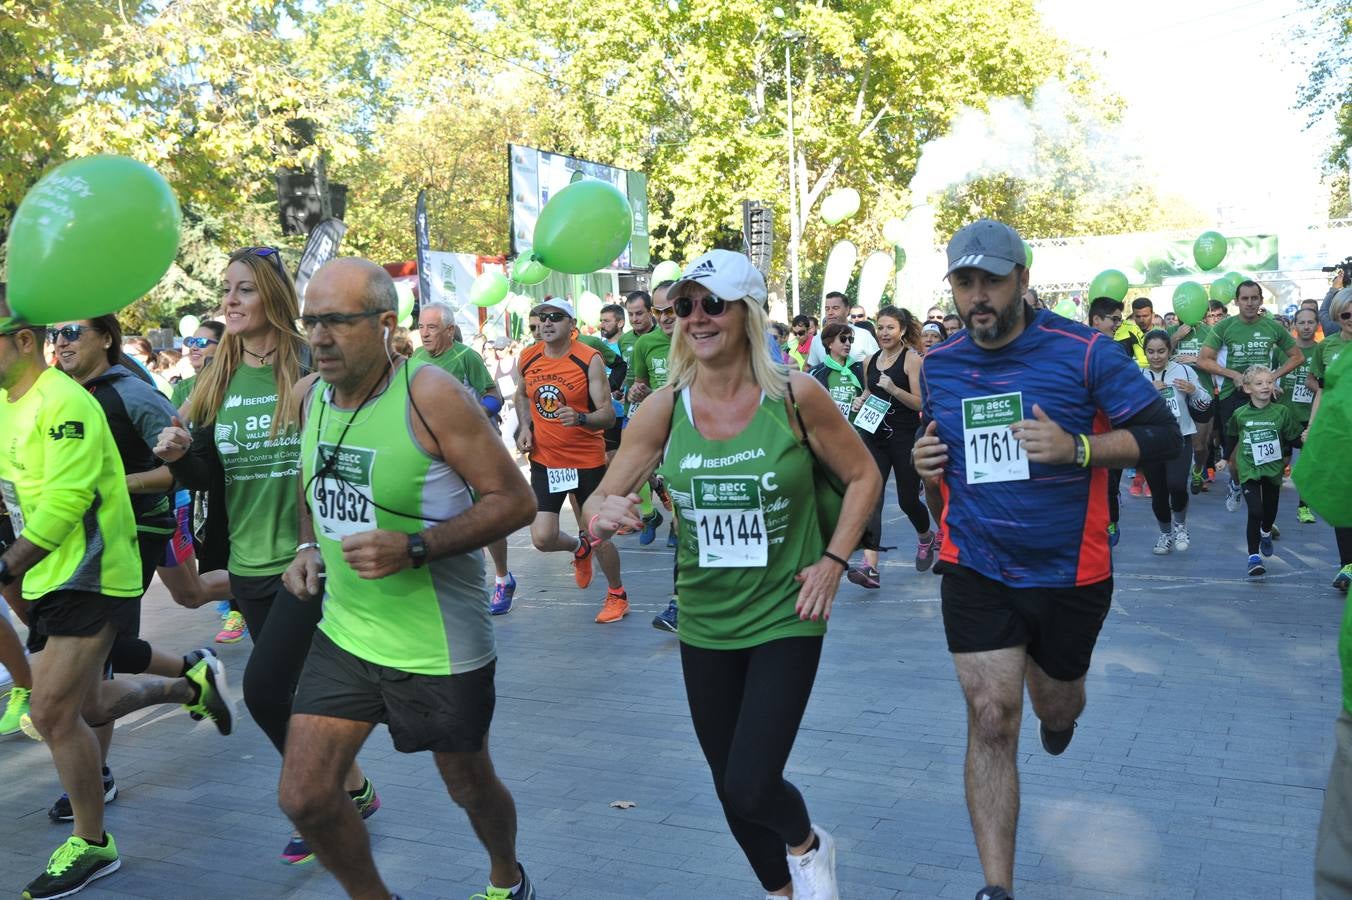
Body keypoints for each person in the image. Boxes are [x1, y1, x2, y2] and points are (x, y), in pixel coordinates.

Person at [584, 249, 880, 900]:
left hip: (786, 611)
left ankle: (809, 846)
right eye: (685, 306)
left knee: (751, 779)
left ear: (747, 313)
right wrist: (603, 514)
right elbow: (597, 503)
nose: (696, 317)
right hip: (705, 618)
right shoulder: (666, 408)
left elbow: (865, 476)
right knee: (728, 784)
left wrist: (833, 562)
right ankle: (783, 891)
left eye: (712, 304)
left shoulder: (797, 396)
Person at [912, 219, 1181, 900]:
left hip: (1070, 568)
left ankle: (1061, 715)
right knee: (992, 715)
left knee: (1051, 703)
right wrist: (923, 469)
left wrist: (1078, 450)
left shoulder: (1084, 352)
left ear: (1022, 280)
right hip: (976, 562)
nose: (978, 296)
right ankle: (996, 889)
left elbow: (1162, 436)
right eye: (964, 282)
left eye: (991, 281)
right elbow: (939, 458)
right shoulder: (940, 366)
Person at [277, 258, 538, 900]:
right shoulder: (311, 396)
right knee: (305, 798)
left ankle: (507, 874)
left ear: (386, 324)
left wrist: (416, 546)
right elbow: (315, 481)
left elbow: (514, 501)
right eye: (312, 322)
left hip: (438, 647)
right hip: (347, 634)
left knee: (469, 787)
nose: (319, 337)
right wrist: (309, 544)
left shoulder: (428, 394)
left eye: (337, 321)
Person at [154, 246, 379, 865]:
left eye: (244, 290)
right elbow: (206, 471)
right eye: (226, 289)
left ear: (273, 298)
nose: (229, 300)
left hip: (309, 559)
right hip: (247, 566)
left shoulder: (313, 361)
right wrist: (179, 454)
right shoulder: (216, 377)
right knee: (300, 687)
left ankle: (318, 799)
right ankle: (354, 788)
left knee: (264, 689)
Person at [0, 305, 231, 900]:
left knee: (51, 713)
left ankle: (92, 841)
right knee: (89, 704)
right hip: (53, 573)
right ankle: (190, 685)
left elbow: (69, 500)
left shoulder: (71, 403)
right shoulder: (10, 403)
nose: (67, 340)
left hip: (94, 569)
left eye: (73, 332)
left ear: (22, 341)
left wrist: (6, 564)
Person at [514, 298, 629, 623]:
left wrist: (580, 418)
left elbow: (607, 415)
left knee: (599, 534)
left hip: (586, 461)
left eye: (556, 317)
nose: (547, 323)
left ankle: (617, 594)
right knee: (542, 538)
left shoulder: (587, 359)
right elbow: (521, 394)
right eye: (542, 318)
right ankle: (578, 550)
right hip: (547, 461)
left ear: (571, 324)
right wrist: (526, 426)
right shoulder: (529, 356)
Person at [415, 300, 517, 615]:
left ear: (449, 330)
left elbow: (494, 397)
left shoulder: (466, 356)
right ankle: (461, 583)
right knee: (447, 516)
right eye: (421, 327)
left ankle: (503, 578)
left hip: (474, 448)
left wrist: (470, 416)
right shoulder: (415, 359)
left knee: (486, 517)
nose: (425, 333)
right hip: (436, 452)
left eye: (432, 327)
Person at [1197, 280, 1304, 515]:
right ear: (1236, 302)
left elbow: (1297, 357)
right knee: (1235, 459)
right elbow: (1203, 360)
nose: (1249, 303)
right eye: (1244, 298)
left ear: (1261, 301)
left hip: (1264, 395)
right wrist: (1232, 374)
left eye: (1254, 298)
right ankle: (1235, 483)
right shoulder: (1224, 327)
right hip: (1232, 397)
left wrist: (1272, 378)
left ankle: (1266, 515)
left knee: (1268, 456)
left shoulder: (1272, 327)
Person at [857, 306, 937, 586]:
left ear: (902, 329)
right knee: (871, 498)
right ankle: (870, 566)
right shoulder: (869, 361)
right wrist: (861, 399)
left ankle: (925, 535)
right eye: (880, 327)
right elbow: (870, 391)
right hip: (873, 436)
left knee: (907, 499)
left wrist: (894, 389)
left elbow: (920, 403)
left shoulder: (912, 360)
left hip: (903, 437)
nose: (883, 333)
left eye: (890, 327)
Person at [1225, 365, 1302, 577]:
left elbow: (1292, 438)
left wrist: (1304, 440)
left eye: (1269, 382)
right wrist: (1224, 458)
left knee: (1269, 512)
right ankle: (1253, 557)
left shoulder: (1282, 412)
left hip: (1273, 470)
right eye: (1259, 383)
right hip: (1249, 469)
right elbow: (1231, 435)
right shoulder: (1240, 414)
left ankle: (1266, 532)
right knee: (1255, 512)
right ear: (1248, 388)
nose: (1266, 386)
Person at [1139, 330, 1209, 554]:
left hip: (1179, 437)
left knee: (1177, 485)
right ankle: (1165, 534)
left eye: (1161, 351)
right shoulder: (1139, 376)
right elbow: (1129, 409)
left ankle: (1180, 526)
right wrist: (1146, 393)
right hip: (1151, 442)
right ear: (1145, 353)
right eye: (1151, 351)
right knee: (1158, 492)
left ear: (1170, 350)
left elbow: (1205, 402)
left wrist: (1194, 390)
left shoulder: (1185, 371)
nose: (1156, 356)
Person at [1306, 287, 1352, 590]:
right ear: (1337, 315)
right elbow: (1320, 388)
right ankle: (1346, 565)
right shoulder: (1327, 347)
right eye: (1347, 314)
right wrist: (1312, 428)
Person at [630, 282, 680, 549]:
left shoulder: (699, 339)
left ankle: (676, 524)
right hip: (656, 420)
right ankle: (650, 514)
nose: (665, 317)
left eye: (671, 309)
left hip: (688, 423)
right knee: (639, 468)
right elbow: (639, 385)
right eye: (658, 311)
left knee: (676, 476)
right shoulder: (645, 343)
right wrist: (638, 393)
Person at [1088, 296, 1127, 546]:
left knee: (1112, 481)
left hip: (1116, 424)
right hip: (1088, 428)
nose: (1117, 325)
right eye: (1114, 319)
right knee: (1097, 482)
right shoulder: (1077, 347)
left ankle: (1111, 521)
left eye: (1119, 320)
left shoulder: (1117, 349)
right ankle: (1098, 524)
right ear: (1096, 320)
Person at [1168, 304, 1217, 495]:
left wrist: (1195, 359)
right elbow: (1157, 357)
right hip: (1175, 393)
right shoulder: (1170, 331)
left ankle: (1198, 470)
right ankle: (1176, 480)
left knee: (1199, 445)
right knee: (1175, 442)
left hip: (1201, 393)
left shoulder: (1210, 332)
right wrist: (1175, 338)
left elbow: (1217, 364)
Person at [1283, 308, 1319, 523]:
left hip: (1311, 416)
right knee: (1281, 462)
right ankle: (1270, 512)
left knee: (1308, 464)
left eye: (1311, 322)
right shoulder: (1284, 350)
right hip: (1286, 414)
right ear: (1294, 325)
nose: (1306, 326)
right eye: (1302, 322)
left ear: (1317, 325)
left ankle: (1304, 507)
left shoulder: (1322, 350)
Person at [806, 292, 878, 367]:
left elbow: (878, 363)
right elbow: (812, 369)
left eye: (835, 308)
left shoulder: (864, 335)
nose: (830, 312)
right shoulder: (817, 339)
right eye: (827, 309)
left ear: (847, 310)